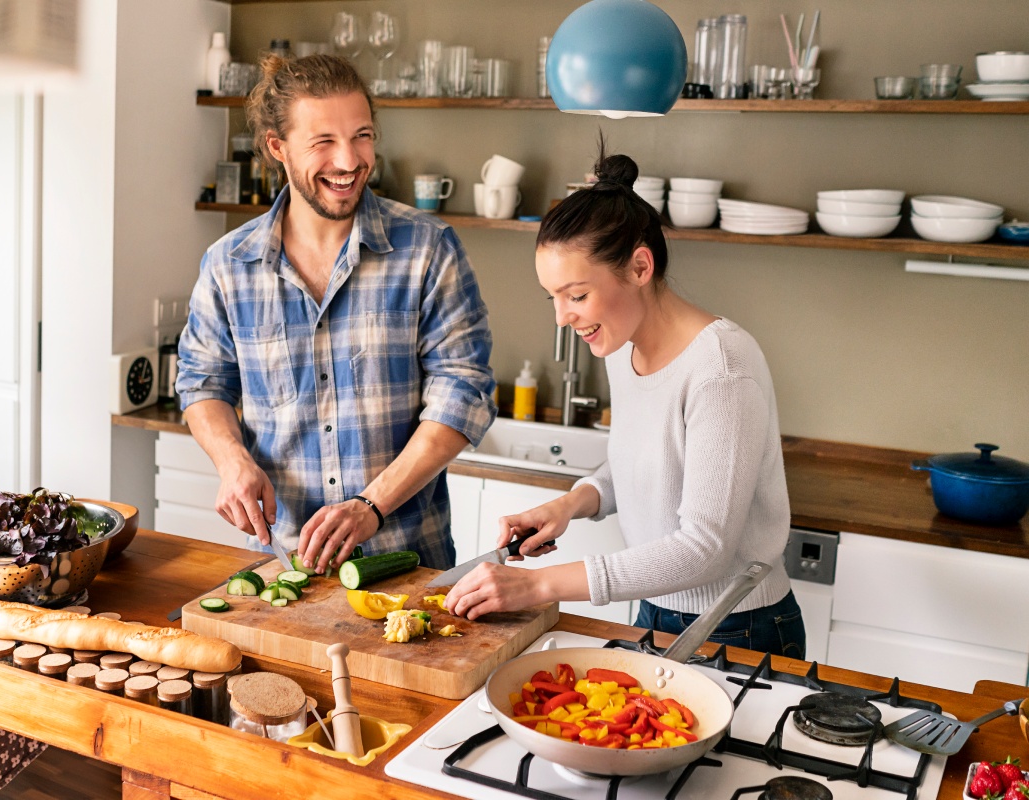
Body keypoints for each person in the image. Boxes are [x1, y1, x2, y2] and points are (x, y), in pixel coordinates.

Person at [443, 141, 806, 659]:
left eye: (577, 295)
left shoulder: (722, 368)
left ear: (640, 267)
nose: (562, 318)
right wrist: (570, 504)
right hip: (652, 609)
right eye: (555, 298)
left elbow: (704, 548)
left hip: (736, 626)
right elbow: (639, 465)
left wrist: (540, 585)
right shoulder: (622, 346)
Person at [176, 54, 496, 574]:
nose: (349, 161)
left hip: (410, 559)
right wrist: (232, 461)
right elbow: (202, 383)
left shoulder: (428, 249)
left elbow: (465, 392)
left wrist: (373, 505)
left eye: (362, 136)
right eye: (323, 142)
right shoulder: (227, 266)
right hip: (284, 562)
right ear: (278, 147)